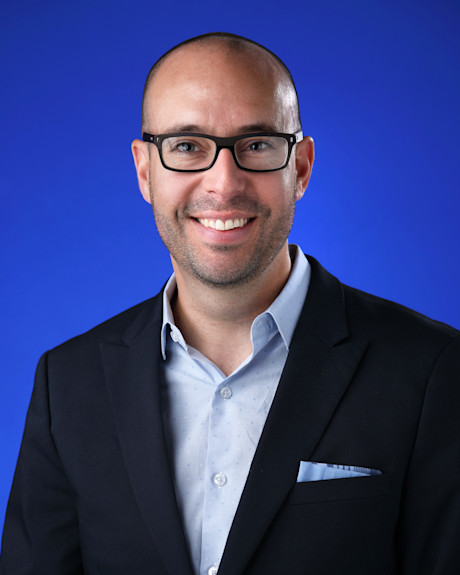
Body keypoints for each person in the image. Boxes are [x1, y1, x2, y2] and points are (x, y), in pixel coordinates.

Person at [1, 32, 459, 575]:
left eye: (257, 144)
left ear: (301, 167)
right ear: (145, 171)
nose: (223, 183)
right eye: (187, 146)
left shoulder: (432, 371)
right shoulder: (67, 384)